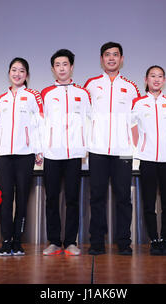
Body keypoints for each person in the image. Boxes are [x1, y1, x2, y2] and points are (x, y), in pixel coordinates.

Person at [84, 42, 141, 255]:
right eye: (107, 55)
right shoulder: (90, 85)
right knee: (97, 197)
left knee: (123, 198)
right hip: (97, 149)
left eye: (115, 55)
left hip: (123, 150)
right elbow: (81, 114)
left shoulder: (131, 87)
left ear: (121, 59)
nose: (111, 58)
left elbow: (137, 120)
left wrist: (136, 146)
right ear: (101, 59)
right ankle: (96, 242)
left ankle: (124, 242)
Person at [40, 49, 92, 256]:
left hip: (74, 155)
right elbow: (39, 124)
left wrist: (85, 147)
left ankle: (71, 241)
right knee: (51, 198)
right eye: (57, 65)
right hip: (52, 153)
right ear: (53, 69)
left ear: (71, 67)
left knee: (72, 199)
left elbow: (90, 121)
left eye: (65, 64)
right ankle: (53, 241)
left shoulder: (82, 93)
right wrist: (40, 149)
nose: (61, 68)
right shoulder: (46, 93)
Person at [0, 57, 43, 256]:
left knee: (22, 199)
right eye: (14, 70)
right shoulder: (1, 99)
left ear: (27, 75)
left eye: (21, 71)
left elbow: (39, 124)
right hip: (4, 156)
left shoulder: (33, 96)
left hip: (25, 155)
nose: (17, 74)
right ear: (9, 73)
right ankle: (6, 240)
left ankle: (17, 240)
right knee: (5, 199)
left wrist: (39, 150)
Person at [131, 65, 166, 256]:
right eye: (153, 76)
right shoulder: (138, 103)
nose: (156, 79)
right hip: (147, 158)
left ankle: (165, 239)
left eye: (160, 76)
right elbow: (129, 128)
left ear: (164, 80)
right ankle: (154, 240)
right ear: (146, 79)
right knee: (149, 203)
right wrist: (137, 148)